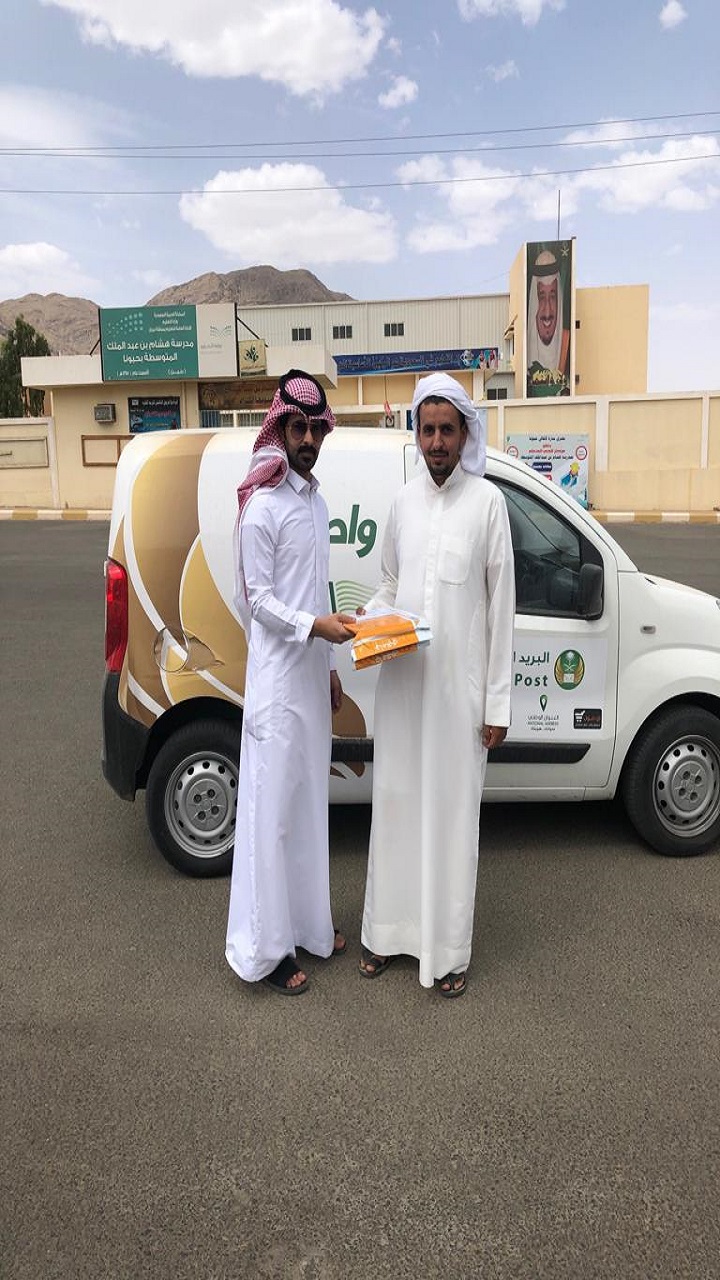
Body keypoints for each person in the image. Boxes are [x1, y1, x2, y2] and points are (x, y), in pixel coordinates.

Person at [358, 372, 515, 998]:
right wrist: (369, 619)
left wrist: (497, 703)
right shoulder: (402, 503)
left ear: (465, 434)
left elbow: (502, 609)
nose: (437, 442)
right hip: (404, 690)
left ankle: (447, 953)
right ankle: (385, 935)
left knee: (450, 820)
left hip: (458, 699)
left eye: (448, 429)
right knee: (395, 806)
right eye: (427, 430)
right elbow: (389, 584)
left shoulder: (488, 504)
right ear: (417, 434)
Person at [225, 370, 355, 996]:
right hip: (276, 687)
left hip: (309, 682)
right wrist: (315, 629)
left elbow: (314, 593)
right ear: (279, 428)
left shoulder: (316, 504)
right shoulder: (263, 507)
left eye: (315, 429)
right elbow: (259, 601)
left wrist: (328, 665)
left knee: (307, 810)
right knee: (272, 817)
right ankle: (266, 950)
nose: (307, 439)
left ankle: (308, 927)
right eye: (297, 427)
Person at [526, 247, 571, 396]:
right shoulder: (528, 373)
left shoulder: (568, 365)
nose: (547, 313)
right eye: (541, 297)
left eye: (552, 297)